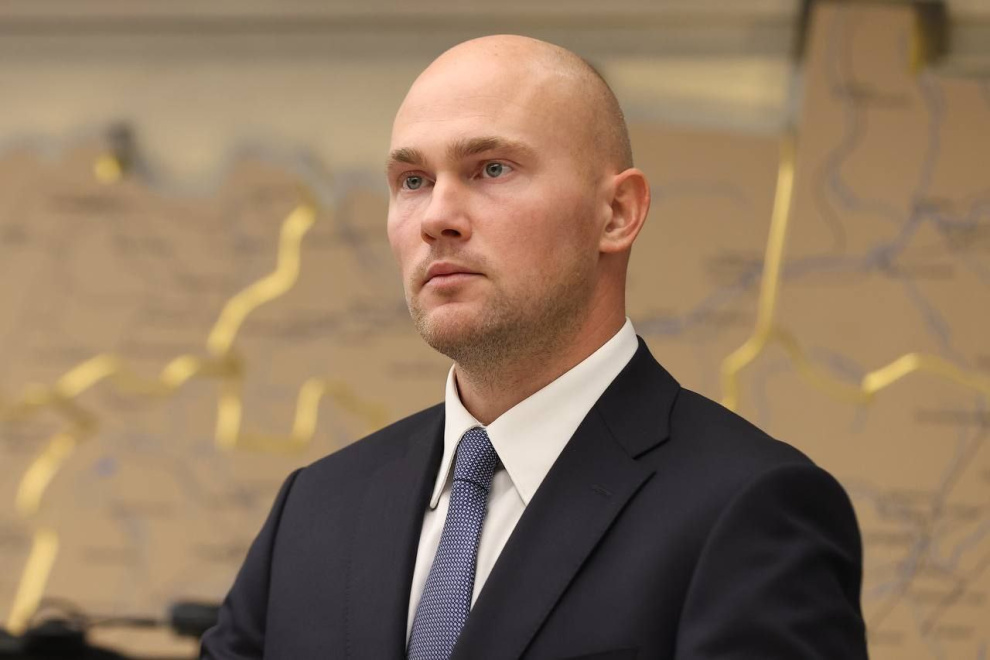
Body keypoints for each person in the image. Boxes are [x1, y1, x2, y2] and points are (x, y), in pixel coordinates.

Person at [201, 35, 868, 659]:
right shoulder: (313, 510)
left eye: (491, 169)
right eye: (412, 181)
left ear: (617, 213)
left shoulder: (751, 511)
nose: (436, 217)